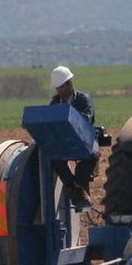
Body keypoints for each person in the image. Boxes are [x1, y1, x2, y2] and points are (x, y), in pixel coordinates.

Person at [48, 65, 98, 209]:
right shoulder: (54, 102)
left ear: (69, 84)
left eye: (61, 87)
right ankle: (76, 190)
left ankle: (78, 190)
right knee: (55, 159)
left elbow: (85, 120)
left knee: (91, 156)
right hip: (63, 142)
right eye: (57, 88)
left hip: (84, 141)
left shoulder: (84, 99)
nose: (59, 90)